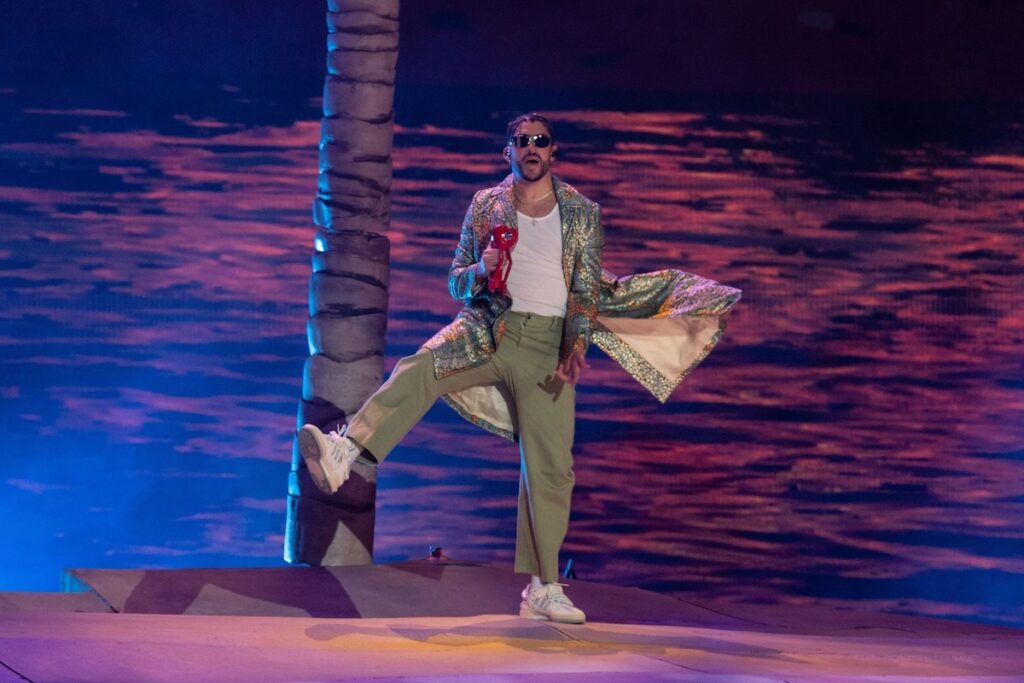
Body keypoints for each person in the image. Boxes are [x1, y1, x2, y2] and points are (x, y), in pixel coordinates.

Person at [299, 113, 741, 626]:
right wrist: (479, 270)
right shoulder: (485, 204)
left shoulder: (582, 212)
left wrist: (576, 345)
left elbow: (585, 289)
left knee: (550, 468)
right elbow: (455, 281)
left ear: (553, 152)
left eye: (540, 141)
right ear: (507, 151)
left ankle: (544, 588)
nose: (531, 147)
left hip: (547, 349)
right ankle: (346, 451)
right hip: (488, 331)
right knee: (418, 367)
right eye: (522, 140)